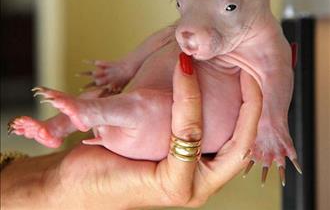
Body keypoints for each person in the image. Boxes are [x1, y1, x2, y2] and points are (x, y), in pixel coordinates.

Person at [0, 54, 262, 209]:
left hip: (149, 131)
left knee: (108, 99)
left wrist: (54, 185)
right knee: (126, 103)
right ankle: (65, 123)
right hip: (149, 128)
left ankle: (73, 120)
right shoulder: (192, 29)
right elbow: (143, 53)